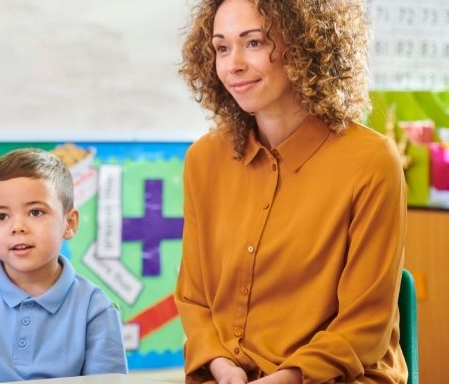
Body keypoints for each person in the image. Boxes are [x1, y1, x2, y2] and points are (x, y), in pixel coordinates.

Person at [175, 0, 407, 383]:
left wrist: (288, 377)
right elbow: (194, 298)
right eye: (221, 47)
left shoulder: (371, 161)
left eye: (253, 42)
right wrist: (221, 364)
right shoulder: (204, 159)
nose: (233, 65)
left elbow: (366, 324)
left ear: (303, 45)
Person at [0, 148, 128, 382]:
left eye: (35, 212)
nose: (17, 227)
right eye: (2, 216)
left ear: (69, 223)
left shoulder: (96, 308)